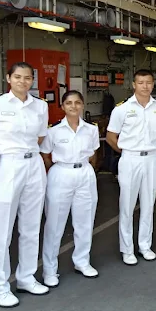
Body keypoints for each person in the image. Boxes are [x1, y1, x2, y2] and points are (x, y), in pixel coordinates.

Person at [0, 62, 49, 307]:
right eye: (17, 77)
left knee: (31, 226)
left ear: (32, 80)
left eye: (27, 77)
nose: (22, 82)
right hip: (6, 168)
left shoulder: (41, 106)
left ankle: (26, 277)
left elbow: (40, 136)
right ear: (8, 78)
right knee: (2, 230)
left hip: (33, 166)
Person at [106, 69, 156, 265]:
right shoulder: (122, 109)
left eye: (148, 82)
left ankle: (144, 245)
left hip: (151, 159)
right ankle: (127, 249)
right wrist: (127, 151)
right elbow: (111, 137)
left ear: (153, 85)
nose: (145, 86)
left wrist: (150, 149)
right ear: (134, 84)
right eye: (141, 82)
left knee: (149, 203)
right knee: (127, 204)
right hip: (130, 159)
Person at [40, 90, 100, 287]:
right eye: (68, 103)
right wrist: (58, 170)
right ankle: (50, 269)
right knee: (55, 224)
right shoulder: (53, 131)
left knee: (85, 221)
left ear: (83, 105)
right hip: (61, 174)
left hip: (85, 173)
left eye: (77, 103)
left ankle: (82, 261)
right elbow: (46, 156)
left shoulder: (91, 129)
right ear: (62, 106)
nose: (73, 106)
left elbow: (93, 155)